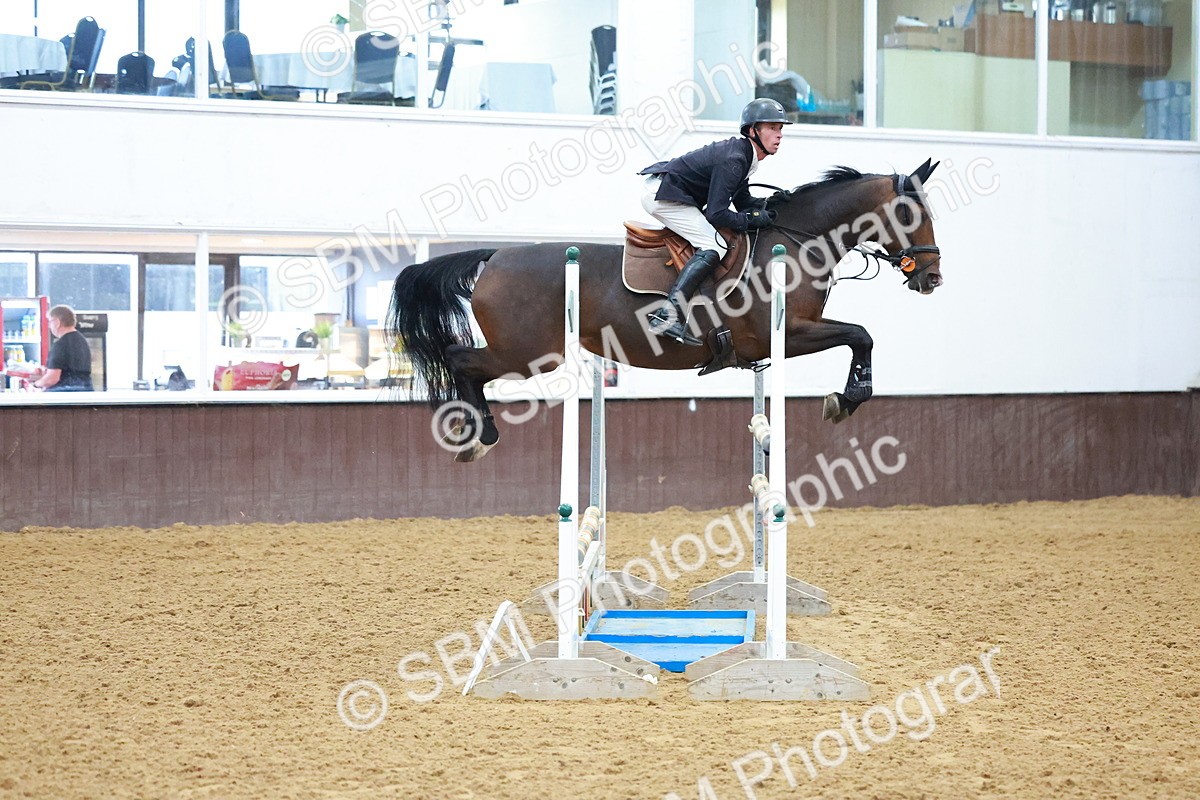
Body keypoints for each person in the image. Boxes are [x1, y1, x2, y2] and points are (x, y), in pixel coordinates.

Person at [638, 97, 792, 345]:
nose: (779, 134)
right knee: (714, 245)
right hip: (662, 195)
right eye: (772, 128)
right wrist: (752, 219)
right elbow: (716, 214)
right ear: (753, 131)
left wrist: (772, 205)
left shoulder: (745, 156)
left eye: (781, 128)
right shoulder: (735, 159)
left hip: (671, 190)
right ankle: (667, 315)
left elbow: (742, 202)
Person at [31, 305, 93, 392]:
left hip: (65, 394)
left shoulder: (60, 344)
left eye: (50, 322)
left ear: (57, 322)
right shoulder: (82, 340)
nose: (49, 326)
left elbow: (52, 379)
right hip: (85, 391)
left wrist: (35, 384)